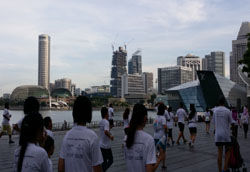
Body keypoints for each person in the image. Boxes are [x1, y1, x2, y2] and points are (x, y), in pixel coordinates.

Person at [58, 96, 103, 172]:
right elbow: (97, 167)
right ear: (89, 113)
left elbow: (61, 166)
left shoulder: (67, 136)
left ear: (74, 112)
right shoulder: (92, 137)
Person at [124, 104, 164, 172]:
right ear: (145, 118)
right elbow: (150, 170)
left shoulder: (126, 138)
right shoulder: (148, 139)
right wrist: (159, 159)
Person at [212, 97, 234, 172]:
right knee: (228, 151)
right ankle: (225, 168)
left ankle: (219, 170)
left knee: (219, 153)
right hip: (226, 134)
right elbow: (231, 122)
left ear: (218, 102)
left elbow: (214, 122)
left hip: (218, 135)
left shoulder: (215, 111)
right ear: (224, 102)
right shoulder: (228, 111)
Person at [99, 107, 114, 172]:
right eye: (108, 112)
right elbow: (105, 132)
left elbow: (105, 130)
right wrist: (111, 136)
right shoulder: (106, 122)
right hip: (106, 146)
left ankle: (102, 170)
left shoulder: (101, 121)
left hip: (101, 145)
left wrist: (109, 128)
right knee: (111, 160)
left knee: (104, 161)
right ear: (106, 114)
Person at [153, 103, 167, 169]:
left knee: (159, 151)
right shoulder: (163, 118)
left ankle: (163, 164)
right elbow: (164, 126)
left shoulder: (156, 117)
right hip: (162, 137)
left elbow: (154, 125)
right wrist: (166, 130)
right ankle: (157, 165)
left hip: (155, 136)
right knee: (163, 152)